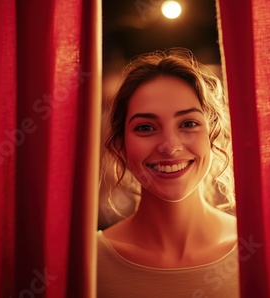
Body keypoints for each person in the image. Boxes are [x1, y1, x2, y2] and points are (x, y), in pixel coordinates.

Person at [98, 48, 239, 298]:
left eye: (188, 124)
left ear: (213, 133)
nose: (170, 147)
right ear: (120, 144)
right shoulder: (88, 261)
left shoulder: (260, 250)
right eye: (145, 127)